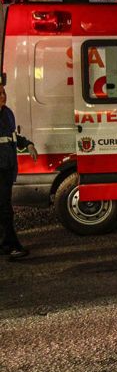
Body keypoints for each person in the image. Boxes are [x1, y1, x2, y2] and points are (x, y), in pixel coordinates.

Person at [0, 84, 37, 261]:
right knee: (5, 210)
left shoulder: (7, 113)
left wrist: (27, 144)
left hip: (6, 168)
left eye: (3, 92)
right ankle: (12, 246)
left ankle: (4, 245)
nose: (2, 96)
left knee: (4, 208)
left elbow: (12, 137)